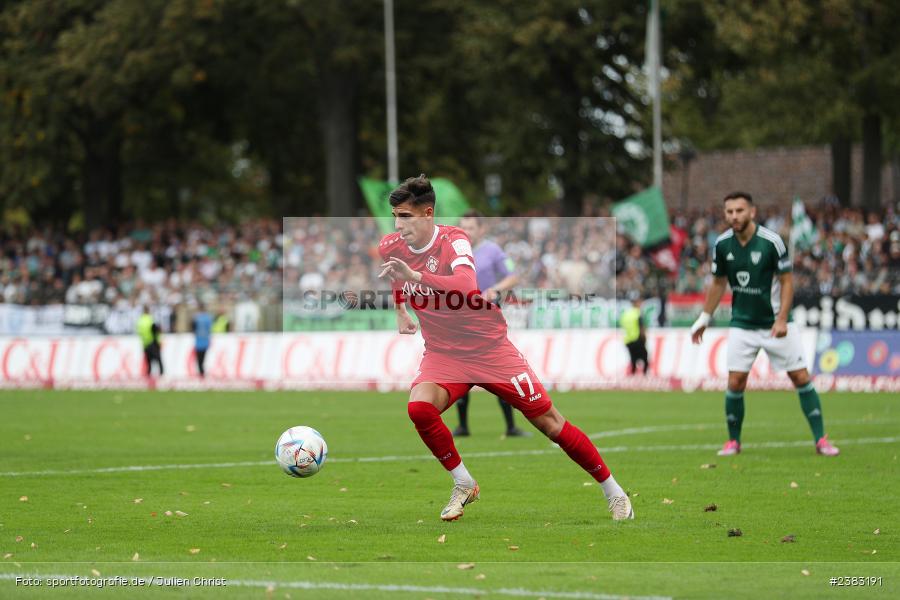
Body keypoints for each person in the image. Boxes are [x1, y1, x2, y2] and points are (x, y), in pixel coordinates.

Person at [378, 174, 633, 521]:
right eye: (395, 215)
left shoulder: (455, 240)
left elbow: (467, 285)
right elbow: (396, 273)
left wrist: (417, 277)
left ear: (427, 214)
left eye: (405, 216)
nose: (398, 224)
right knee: (419, 409)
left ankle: (614, 492)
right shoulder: (391, 245)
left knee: (550, 424)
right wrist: (399, 308)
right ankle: (463, 483)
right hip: (443, 353)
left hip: (489, 348)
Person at [690, 191, 839, 457]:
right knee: (735, 382)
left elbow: (787, 281)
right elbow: (718, 282)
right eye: (729, 212)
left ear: (752, 212)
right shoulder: (723, 245)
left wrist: (782, 318)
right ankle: (733, 442)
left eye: (739, 210)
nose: (734, 216)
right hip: (742, 324)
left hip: (775, 324)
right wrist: (705, 317)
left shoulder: (772, 242)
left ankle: (821, 440)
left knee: (800, 377)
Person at [452, 210, 530, 438]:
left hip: (487, 319)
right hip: (461, 319)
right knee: (461, 370)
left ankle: (511, 426)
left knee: (497, 370)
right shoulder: (452, 252)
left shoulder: (492, 250)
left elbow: (513, 276)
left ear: (481, 229)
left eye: (471, 227)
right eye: (463, 226)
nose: (466, 231)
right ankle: (463, 426)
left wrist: (495, 289)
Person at [621, 297, 649, 375]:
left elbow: (623, 325)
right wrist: (644, 338)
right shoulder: (638, 313)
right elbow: (641, 327)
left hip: (628, 340)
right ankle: (644, 376)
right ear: (636, 303)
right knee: (645, 358)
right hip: (637, 339)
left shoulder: (626, 314)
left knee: (633, 359)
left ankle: (632, 376)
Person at [136, 305, 163, 377]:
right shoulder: (150, 319)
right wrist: (158, 340)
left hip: (145, 344)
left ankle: (148, 379)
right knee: (158, 361)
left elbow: (139, 332)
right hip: (152, 342)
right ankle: (161, 376)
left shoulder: (140, 320)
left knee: (148, 363)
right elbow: (155, 330)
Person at [192, 304, 213, 378]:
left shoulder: (196, 318)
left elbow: (193, 328)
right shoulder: (208, 318)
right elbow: (210, 330)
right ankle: (202, 373)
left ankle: (201, 374)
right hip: (205, 341)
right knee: (203, 360)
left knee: (199, 360)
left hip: (198, 342)